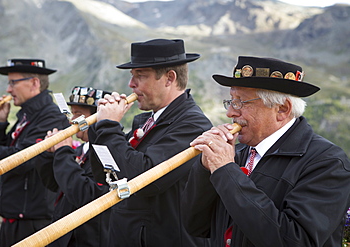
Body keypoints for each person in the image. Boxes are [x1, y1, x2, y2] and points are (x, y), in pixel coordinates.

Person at [181, 56, 350, 246]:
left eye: (241, 102)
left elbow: (294, 241)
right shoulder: (238, 152)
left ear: (282, 110)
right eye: (231, 101)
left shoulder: (328, 163)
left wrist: (226, 170)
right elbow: (196, 226)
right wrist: (206, 168)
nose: (230, 113)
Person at [88, 38, 213, 246]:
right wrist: (97, 128)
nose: (131, 84)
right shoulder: (147, 120)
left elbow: (143, 179)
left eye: (141, 76)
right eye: (132, 76)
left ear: (169, 78)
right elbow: (105, 174)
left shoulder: (193, 124)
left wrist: (109, 126)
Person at [0, 59, 70, 247]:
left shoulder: (50, 117)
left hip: (33, 223)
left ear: (34, 83)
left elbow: (21, 160)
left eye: (13, 82)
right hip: (14, 218)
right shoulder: (28, 115)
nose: (8, 89)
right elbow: (0, 160)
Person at [37, 86, 111, 246]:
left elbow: (83, 195)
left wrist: (63, 152)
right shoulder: (80, 150)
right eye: (73, 113)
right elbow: (54, 184)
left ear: (97, 117)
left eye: (78, 114)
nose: (72, 120)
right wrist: (49, 154)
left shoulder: (106, 154)